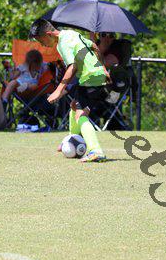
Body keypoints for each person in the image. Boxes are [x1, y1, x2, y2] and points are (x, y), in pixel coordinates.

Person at [29, 19, 108, 163]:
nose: (42, 45)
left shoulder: (62, 43)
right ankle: (72, 139)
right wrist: (103, 68)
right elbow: (94, 46)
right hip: (92, 76)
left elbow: (73, 66)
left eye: (41, 41)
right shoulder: (70, 33)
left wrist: (59, 90)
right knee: (74, 106)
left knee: (80, 115)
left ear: (49, 34)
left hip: (89, 77)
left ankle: (96, 151)